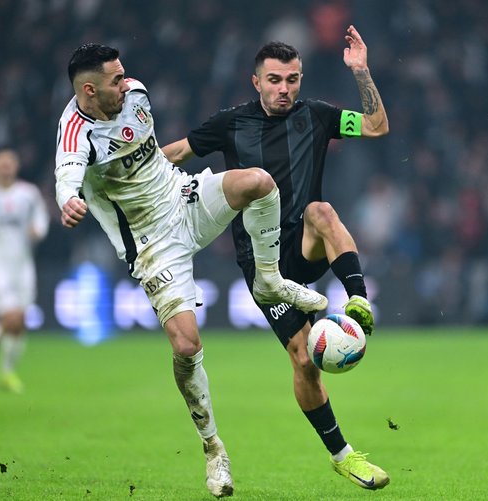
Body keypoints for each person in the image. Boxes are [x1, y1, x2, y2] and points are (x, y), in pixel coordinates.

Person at [54, 43, 328, 498]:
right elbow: (66, 176)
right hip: (151, 243)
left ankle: (270, 278)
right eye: (115, 80)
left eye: (124, 74)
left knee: (259, 183)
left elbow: (157, 156)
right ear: (89, 89)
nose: (126, 83)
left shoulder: (136, 94)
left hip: (183, 199)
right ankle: (213, 449)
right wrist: (69, 202)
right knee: (186, 344)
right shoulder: (74, 135)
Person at [163, 25, 390, 490]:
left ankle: (358, 301)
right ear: (256, 82)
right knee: (304, 361)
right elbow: (178, 153)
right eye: (274, 80)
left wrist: (361, 72)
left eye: (292, 79)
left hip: (305, 243)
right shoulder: (230, 124)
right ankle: (343, 455)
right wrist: (123, 180)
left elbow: (376, 126)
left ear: (300, 80)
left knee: (321, 210)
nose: (284, 89)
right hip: (262, 263)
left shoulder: (319, 116)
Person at [0, 148, 49, 393]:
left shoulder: (29, 194)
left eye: (9, 163)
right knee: (11, 316)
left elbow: (42, 222)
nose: (5, 167)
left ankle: (7, 371)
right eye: (0, 163)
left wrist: (37, 231)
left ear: (16, 166)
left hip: (23, 264)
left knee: (20, 321)